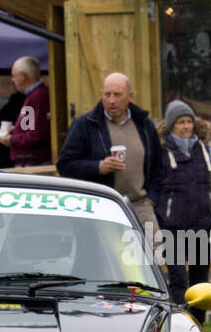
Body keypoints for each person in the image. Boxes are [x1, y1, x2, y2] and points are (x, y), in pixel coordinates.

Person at [57, 72, 165, 243]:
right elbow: (64, 165)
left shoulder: (144, 125)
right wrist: (98, 167)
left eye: (117, 95)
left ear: (130, 96)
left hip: (140, 206)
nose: (112, 100)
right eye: (107, 95)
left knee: (151, 262)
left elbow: (159, 165)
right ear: (101, 94)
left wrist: (151, 199)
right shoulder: (85, 124)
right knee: (109, 263)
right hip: (102, 207)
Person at [156, 99, 211, 323]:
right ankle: (179, 323)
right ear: (170, 126)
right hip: (173, 228)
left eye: (189, 121)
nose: (186, 126)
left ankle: (198, 327)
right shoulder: (161, 152)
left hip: (201, 226)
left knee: (200, 283)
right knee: (178, 281)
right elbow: (156, 190)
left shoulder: (205, 151)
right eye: (180, 122)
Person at [0, 56, 51, 167]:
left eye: (14, 75)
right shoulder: (34, 96)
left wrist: (11, 139)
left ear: (22, 76)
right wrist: (15, 130)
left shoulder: (36, 97)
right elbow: (29, 129)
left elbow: (35, 136)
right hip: (31, 161)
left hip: (33, 163)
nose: (12, 80)